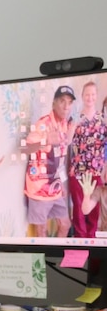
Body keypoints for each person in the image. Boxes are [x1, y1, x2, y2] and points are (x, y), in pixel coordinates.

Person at [23, 85, 75, 237]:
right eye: (62, 101)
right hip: (39, 187)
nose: (66, 106)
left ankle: (57, 259)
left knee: (65, 225)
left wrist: (61, 183)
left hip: (55, 187)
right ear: (53, 104)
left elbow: (59, 157)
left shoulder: (64, 124)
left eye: (70, 102)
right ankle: (44, 261)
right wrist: (45, 141)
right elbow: (24, 149)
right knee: (42, 232)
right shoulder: (43, 124)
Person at [68, 81, 107, 238]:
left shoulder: (102, 119)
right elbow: (69, 141)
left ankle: (91, 239)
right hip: (78, 170)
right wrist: (73, 127)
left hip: (96, 170)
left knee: (93, 208)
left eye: (92, 94)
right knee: (78, 206)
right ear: (82, 96)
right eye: (87, 94)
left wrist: (104, 168)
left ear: (96, 96)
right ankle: (80, 239)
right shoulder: (76, 117)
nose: (90, 97)